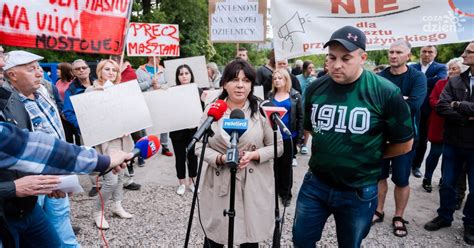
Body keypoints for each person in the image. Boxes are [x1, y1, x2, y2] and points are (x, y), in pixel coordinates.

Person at [292, 26, 414, 247]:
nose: (336, 65)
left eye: (346, 58)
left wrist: (371, 153)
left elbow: (405, 144)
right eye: (331, 57)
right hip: (315, 184)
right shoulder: (315, 88)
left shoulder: (385, 92)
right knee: (300, 241)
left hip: (359, 190)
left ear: (362, 57)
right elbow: (310, 128)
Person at [195, 59, 283, 247]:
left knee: (248, 237)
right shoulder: (213, 109)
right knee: (215, 237)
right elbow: (198, 146)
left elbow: (278, 146)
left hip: (252, 183)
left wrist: (254, 155)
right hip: (219, 182)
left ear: (252, 84)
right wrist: (219, 158)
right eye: (235, 80)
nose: (240, 85)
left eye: (246, 80)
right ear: (224, 83)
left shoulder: (262, 110)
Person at [3, 50, 80, 247]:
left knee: (60, 216)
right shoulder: (10, 104)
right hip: (27, 183)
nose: (39, 73)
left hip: (53, 174)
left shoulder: (44, 92)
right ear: (12, 75)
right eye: (32, 69)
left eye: (38, 68)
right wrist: (13, 187)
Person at [375, 40, 427, 237]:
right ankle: (378, 210)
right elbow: (374, 105)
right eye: (391, 52)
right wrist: (402, 99)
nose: (393, 55)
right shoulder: (381, 76)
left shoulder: (417, 77)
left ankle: (398, 216)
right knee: (379, 176)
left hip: (405, 138)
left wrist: (391, 102)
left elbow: (414, 106)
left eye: (398, 52)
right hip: (381, 137)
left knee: (402, 179)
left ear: (408, 56)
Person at [424, 42, 474, 246]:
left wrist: (459, 105)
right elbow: (442, 106)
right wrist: (466, 116)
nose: (463, 54)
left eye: (469, 52)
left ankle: (470, 223)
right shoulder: (454, 82)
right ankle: (444, 216)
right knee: (447, 183)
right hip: (453, 142)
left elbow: (450, 105)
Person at [86, 59, 134, 229]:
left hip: (122, 140)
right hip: (106, 144)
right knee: (110, 180)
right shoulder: (91, 90)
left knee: (121, 176)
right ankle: (98, 212)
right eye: (107, 69)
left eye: (114, 70)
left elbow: (127, 113)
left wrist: (128, 126)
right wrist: (96, 95)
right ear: (100, 71)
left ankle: (117, 206)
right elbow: (89, 118)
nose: (111, 73)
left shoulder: (120, 90)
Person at [422, 57, 469, 193]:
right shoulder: (440, 83)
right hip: (438, 123)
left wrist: (450, 107)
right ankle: (428, 178)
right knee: (435, 152)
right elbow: (433, 101)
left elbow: (467, 106)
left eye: (454, 69)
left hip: (456, 126)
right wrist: (453, 108)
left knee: (449, 156)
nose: (450, 71)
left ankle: (444, 179)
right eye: (449, 68)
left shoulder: (466, 86)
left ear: (462, 70)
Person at [62, 59, 102, 197]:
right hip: (87, 131)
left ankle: (121, 180)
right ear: (73, 72)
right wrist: (82, 126)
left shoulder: (100, 82)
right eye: (77, 69)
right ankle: (96, 184)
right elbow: (68, 112)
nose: (81, 70)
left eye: (84, 67)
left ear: (89, 69)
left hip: (106, 126)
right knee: (91, 156)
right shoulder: (71, 90)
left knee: (110, 153)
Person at [266, 68, 303, 206]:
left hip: (289, 136)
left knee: (287, 167)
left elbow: (300, 118)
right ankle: (275, 190)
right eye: (275, 78)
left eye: (280, 78)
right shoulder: (270, 95)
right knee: (275, 165)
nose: (277, 80)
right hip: (274, 137)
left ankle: (286, 193)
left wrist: (299, 140)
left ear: (286, 79)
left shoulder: (295, 96)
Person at [410, 45, 448, 178]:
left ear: (435, 54)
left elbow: (440, 80)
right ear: (420, 53)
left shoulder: (441, 67)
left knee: (421, 140)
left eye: (430, 52)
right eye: (424, 51)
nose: (427, 54)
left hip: (428, 110)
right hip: (411, 108)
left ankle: (416, 166)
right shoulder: (412, 67)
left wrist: (418, 81)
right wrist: (429, 81)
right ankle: (403, 162)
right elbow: (409, 81)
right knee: (407, 137)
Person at [170, 64, 203, 195]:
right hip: (177, 131)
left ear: (191, 75)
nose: (184, 76)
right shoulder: (172, 91)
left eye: (186, 73)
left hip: (193, 131)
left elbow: (203, 111)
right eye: (181, 74)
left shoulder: (199, 91)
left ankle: (193, 182)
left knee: (193, 157)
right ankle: (182, 183)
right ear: (177, 77)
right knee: (179, 157)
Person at [135, 56, 173, 157]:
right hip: (146, 101)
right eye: (157, 57)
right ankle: (145, 146)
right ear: (150, 57)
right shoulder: (140, 71)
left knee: (164, 121)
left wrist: (160, 86)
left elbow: (169, 84)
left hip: (161, 100)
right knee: (145, 122)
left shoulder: (163, 70)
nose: (159, 59)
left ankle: (164, 145)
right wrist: (149, 83)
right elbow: (136, 87)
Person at [55, 62, 80, 145]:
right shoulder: (58, 82)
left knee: (78, 136)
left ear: (64, 71)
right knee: (67, 137)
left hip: (73, 113)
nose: (56, 72)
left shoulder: (73, 83)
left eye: (58, 70)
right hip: (62, 113)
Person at [296, 61, 317, 155]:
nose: (312, 70)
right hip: (298, 104)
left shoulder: (313, 79)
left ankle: (304, 145)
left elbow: (313, 88)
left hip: (309, 105)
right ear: (304, 68)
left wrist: (311, 78)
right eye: (310, 68)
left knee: (306, 126)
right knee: (298, 124)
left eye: (313, 68)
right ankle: (298, 143)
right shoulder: (298, 78)